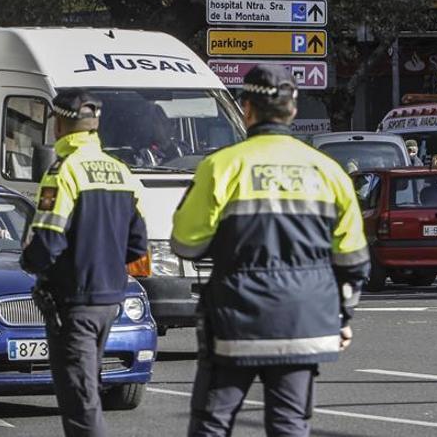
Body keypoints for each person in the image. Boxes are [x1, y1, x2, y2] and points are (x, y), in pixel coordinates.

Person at [171, 65, 371, 437]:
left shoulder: (221, 167)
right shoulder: (329, 172)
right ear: (293, 110)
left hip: (236, 320)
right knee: (290, 425)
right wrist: (343, 316)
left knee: (212, 423)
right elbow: (354, 258)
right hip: (305, 322)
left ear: (247, 109)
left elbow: (185, 243)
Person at [20, 89, 148, 437]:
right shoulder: (121, 171)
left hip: (73, 304)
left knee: (80, 401)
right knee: (88, 390)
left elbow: (45, 244)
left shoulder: (63, 172)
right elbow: (137, 245)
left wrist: (29, 261)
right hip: (109, 300)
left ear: (58, 125)